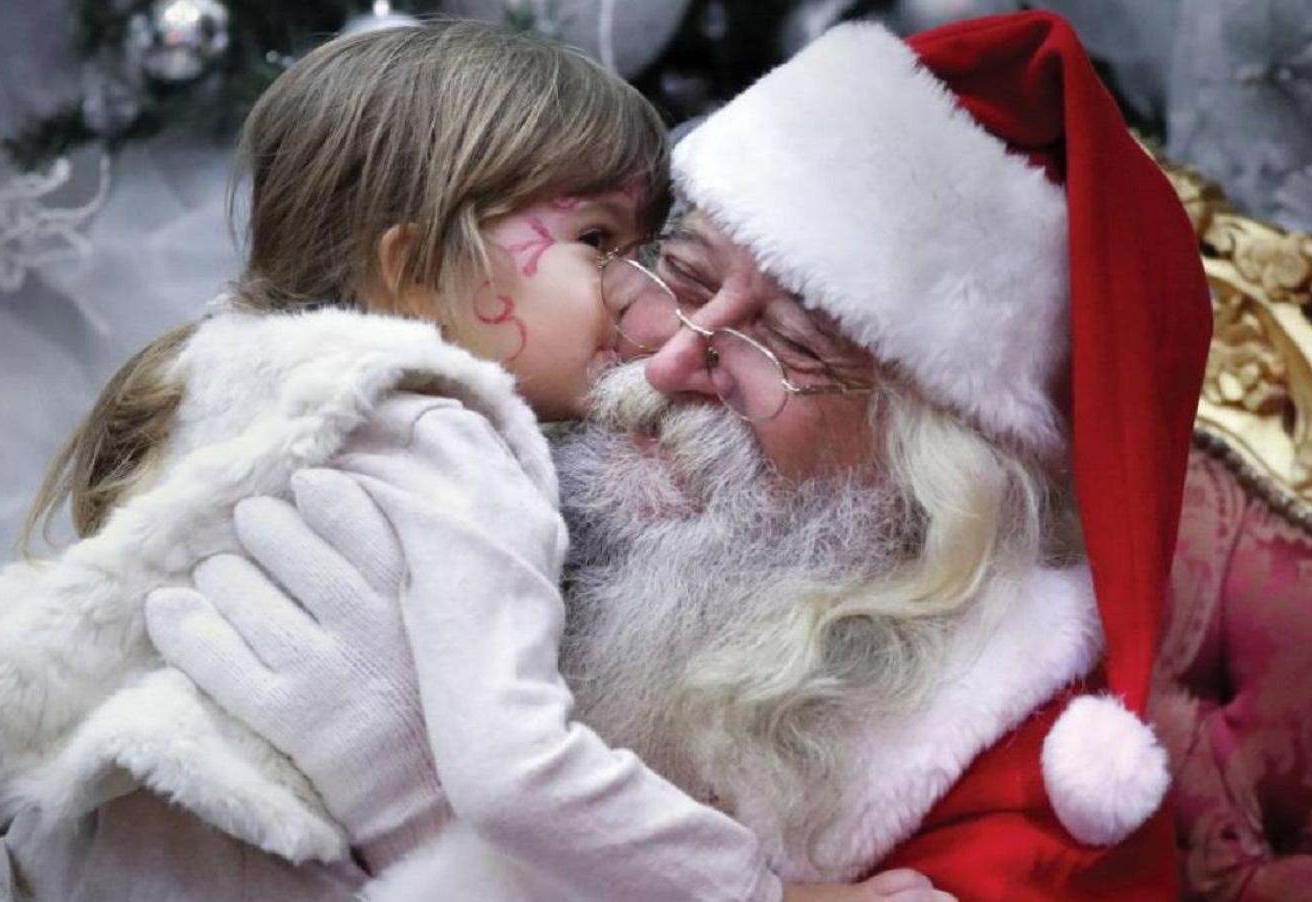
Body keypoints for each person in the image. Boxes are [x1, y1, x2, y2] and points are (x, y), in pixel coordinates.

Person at [151, 11, 1214, 900]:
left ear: (936, 465)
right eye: (686, 276)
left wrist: (410, 825)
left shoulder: (1016, 789)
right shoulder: (468, 458)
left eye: (788, 345)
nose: (668, 363)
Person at [0, 21, 934, 902]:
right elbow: (514, 773)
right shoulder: (449, 440)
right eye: (594, 237)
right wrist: (763, 887)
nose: (640, 297)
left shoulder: (239, 374)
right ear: (408, 269)